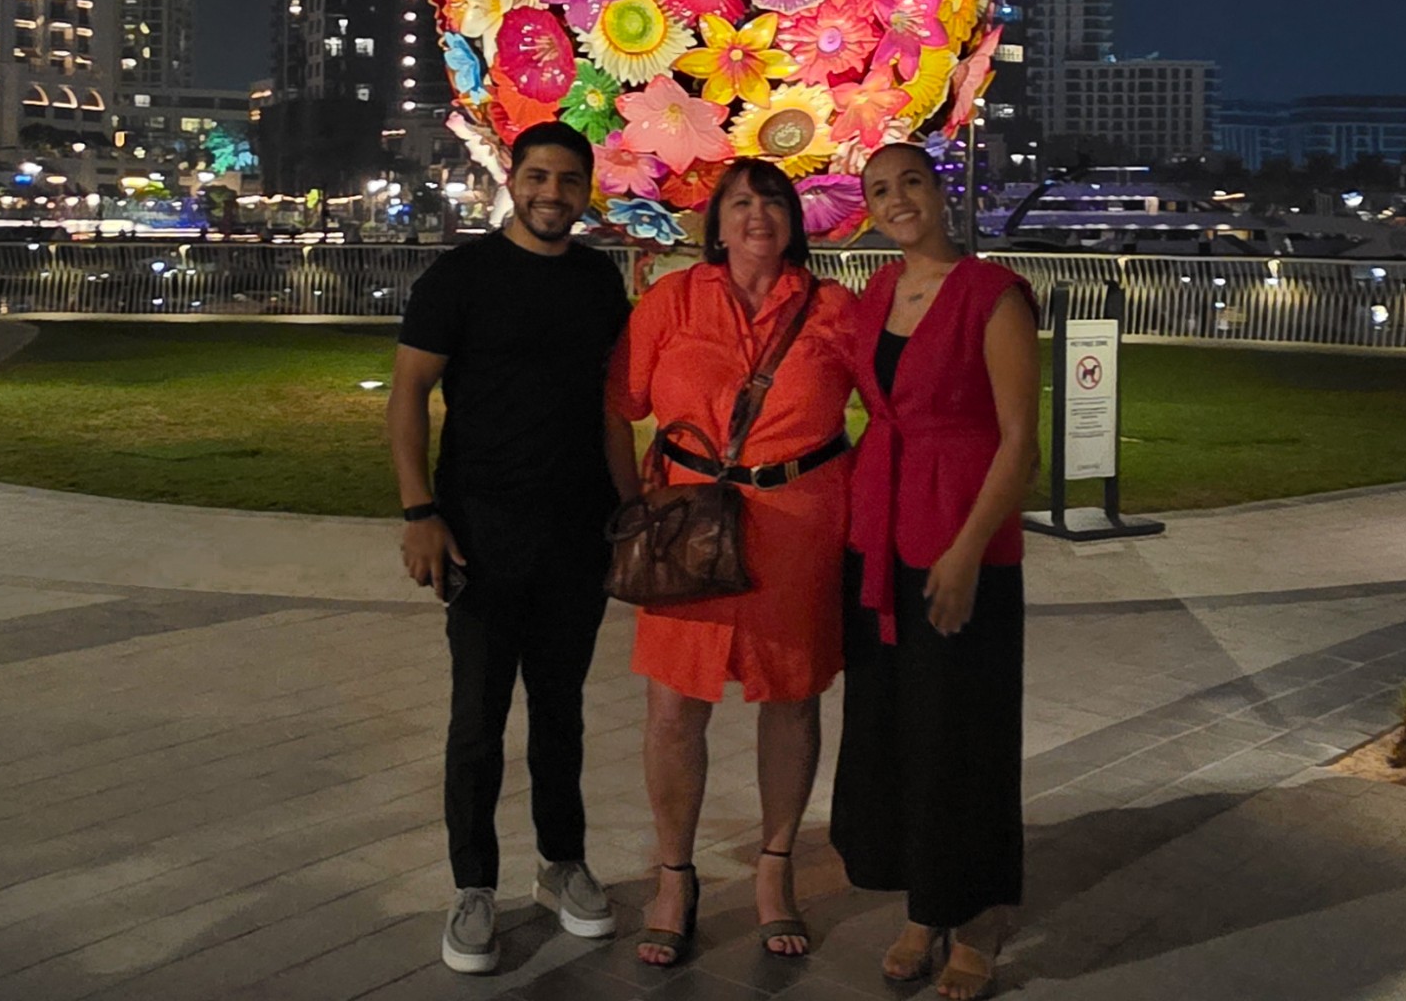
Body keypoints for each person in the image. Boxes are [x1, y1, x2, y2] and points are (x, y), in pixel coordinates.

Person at [390, 120, 632, 975]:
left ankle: (561, 862)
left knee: (560, 711)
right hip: (479, 535)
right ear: (513, 181)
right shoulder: (459, 277)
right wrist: (419, 512)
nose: (551, 194)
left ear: (585, 191)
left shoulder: (598, 282)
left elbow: (611, 410)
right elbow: (408, 394)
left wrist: (631, 511)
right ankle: (473, 886)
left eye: (567, 180)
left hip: (576, 532)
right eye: (537, 177)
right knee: (478, 718)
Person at [605, 158, 857, 966]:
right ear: (714, 222)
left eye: (772, 201)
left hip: (797, 528)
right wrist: (633, 505)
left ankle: (775, 869)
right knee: (674, 708)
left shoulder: (833, 308)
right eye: (740, 202)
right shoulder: (672, 300)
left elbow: (893, 406)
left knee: (791, 700)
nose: (756, 215)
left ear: (795, 220)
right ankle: (673, 876)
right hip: (687, 528)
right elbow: (618, 406)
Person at [830, 141, 1038, 1000]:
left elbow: (1019, 442)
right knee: (895, 730)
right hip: (878, 535)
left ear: (938, 190)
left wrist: (964, 552)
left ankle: (978, 914)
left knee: (964, 734)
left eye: (910, 181)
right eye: (879, 189)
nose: (897, 199)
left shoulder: (992, 295)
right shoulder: (876, 292)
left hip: (959, 541)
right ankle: (926, 900)